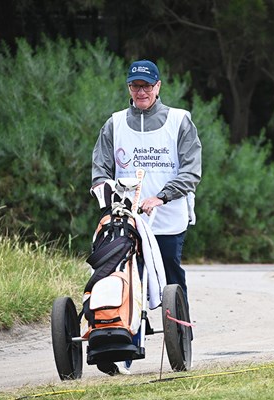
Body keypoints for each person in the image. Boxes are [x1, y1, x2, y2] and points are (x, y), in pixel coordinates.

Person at [91, 60, 202, 372]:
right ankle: (123, 349)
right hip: (127, 218)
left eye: (146, 85)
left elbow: (192, 171)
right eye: (135, 85)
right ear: (129, 87)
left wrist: (161, 197)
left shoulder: (179, 121)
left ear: (158, 87)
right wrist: (104, 193)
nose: (141, 91)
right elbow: (100, 169)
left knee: (171, 277)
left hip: (167, 218)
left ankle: (181, 340)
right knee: (126, 278)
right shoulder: (114, 124)